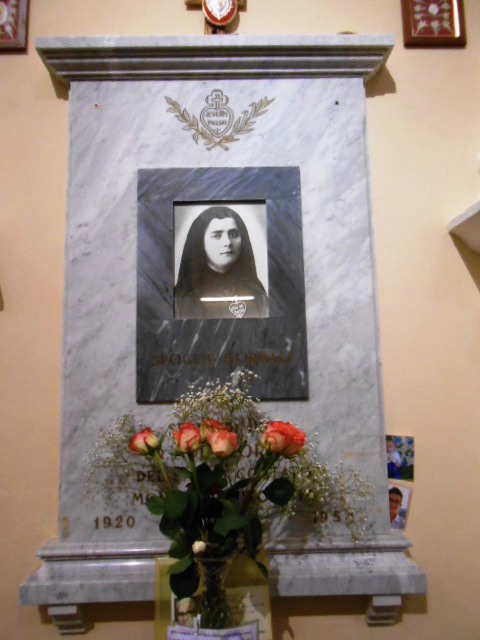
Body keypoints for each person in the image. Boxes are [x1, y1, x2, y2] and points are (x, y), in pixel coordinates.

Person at [174, 205, 269, 319]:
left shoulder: (256, 293)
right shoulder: (182, 297)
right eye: (217, 236)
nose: (227, 242)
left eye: (233, 234)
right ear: (200, 242)